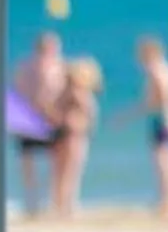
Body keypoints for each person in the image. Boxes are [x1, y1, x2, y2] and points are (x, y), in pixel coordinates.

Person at [12, 30, 70, 213]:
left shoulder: (25, 66)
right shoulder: (54, 67)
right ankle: (53, 201)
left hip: (28, 118)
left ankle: (38, 200)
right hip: (46, 119)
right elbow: (46, 95)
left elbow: (18, 92)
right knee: (55, 161)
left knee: (33, 163)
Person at [51, 56, 104, 217]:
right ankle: (67, 204)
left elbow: (54, 109)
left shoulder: (66, 92)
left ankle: (60, 203)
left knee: (61, 171)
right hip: (74, 134)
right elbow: (90, 113)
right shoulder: (79, 93)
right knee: (71, 171)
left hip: (64, 132)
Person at [135, 36, 168, 211]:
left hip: (161, 118)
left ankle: (166, 199)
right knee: (167, 158)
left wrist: (145, 106)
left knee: (162, 159)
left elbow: (162, 94)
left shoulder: (156, 69)